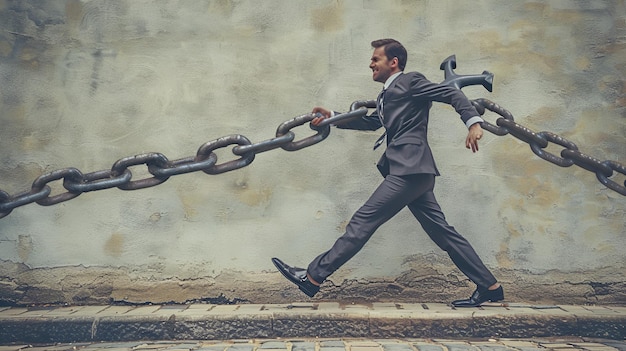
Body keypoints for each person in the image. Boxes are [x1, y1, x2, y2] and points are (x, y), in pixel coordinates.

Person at [272, 38, 503, 307]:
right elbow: (372, 123)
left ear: (393, 63)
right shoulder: (387, 94)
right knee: (443, 233)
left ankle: (312, 277)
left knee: (362, 223)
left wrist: (473, 123)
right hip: (413, 171)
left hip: (409, 170)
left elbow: (451, 94)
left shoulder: (411, 81)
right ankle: (490, 286)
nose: (371, 63)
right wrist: (333, 116)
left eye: (375, 59)